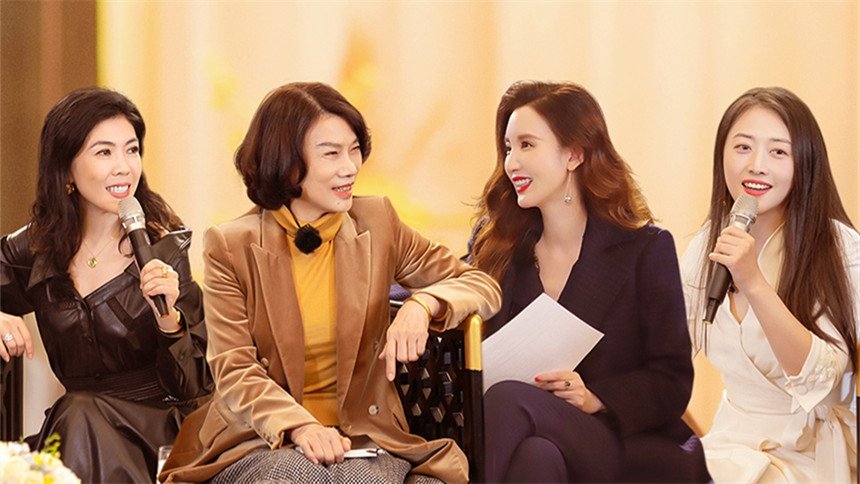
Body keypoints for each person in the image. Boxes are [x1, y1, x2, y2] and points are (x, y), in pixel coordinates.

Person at [159, 82, 501, 484]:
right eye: (331, 153)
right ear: (287, 163)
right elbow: (234, 368)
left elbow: (480, 286)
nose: (350, 167)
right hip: (260, 438)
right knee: (295, 475)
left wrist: (423, 305)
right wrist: (301, 427)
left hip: (364, 436)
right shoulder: (230, 245)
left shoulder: (378, 222)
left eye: (354, 150)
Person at [470, 80, 709, 482]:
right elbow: (446, 285)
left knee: (507, 397)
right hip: (535, 441)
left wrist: (594, 397)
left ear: (574, 154)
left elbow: (672, 381)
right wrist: (420, 306)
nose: (511, 162)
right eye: (508, 148)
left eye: (527, 145)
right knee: (535, 456)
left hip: (619, 441)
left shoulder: (645, 249)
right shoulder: (497, 245)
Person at [0, 87, 212, 482]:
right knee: (78, 414)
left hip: (155, 432)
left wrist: (169, 321)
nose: (124, 167)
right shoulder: (36, 248)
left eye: (132, 150)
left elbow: (195, 386)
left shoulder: (163, 249)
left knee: (78, 414)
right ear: (66, 168)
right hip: (76, 426)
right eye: (104, 152)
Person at [680, 87, 858, 482]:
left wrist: (753, 282)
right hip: (729, 447)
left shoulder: (840, 247)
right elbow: (670, 355)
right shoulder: (707, 244)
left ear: (805, 162)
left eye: (778, 152)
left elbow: (824, 376)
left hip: (809, 454)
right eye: (743, 147)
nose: (756, 166)